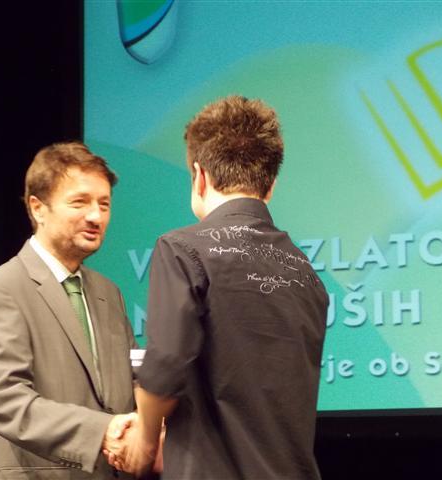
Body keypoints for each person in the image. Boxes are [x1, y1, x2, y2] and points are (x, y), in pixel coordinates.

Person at [117, 96, 329, 479]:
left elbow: (165, 367)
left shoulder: (181, 249)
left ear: (199, 176)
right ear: (271, 185)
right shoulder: (306, 273)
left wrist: (145, 440)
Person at [0, 141, 137, 480]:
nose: (96, 216)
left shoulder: (109, 293)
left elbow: (132, 380)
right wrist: (104, 431)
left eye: (104, 204)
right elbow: (6, 401)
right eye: (80, 202)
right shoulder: (1, 289)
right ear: (38, 208)